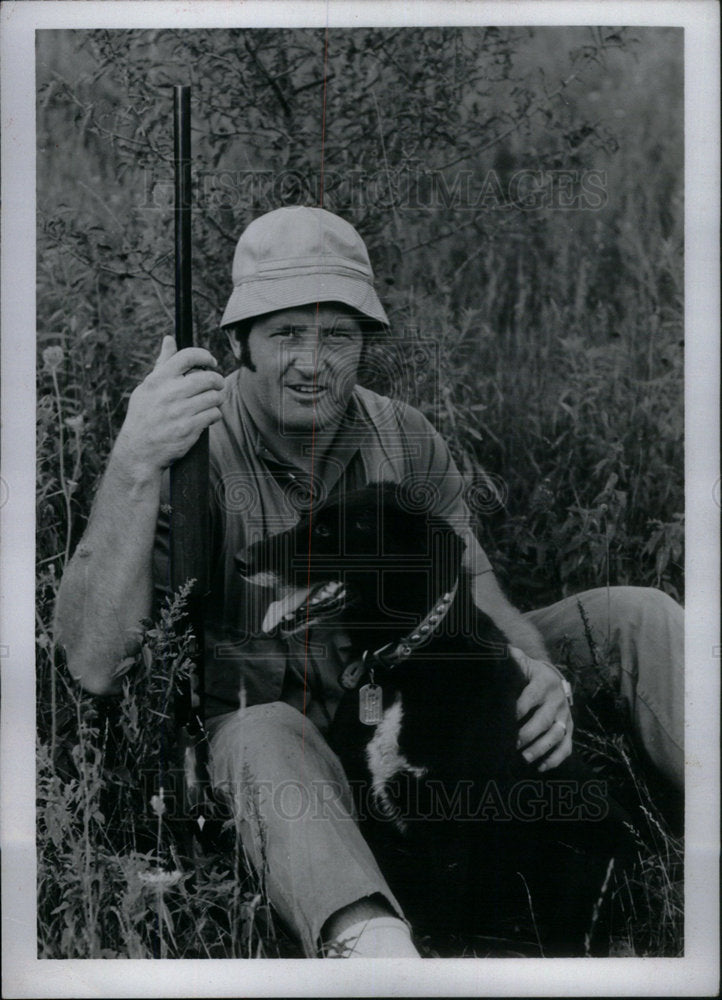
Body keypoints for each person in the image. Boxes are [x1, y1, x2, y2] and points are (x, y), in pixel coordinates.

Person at [54, 206, 684, 958]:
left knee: (639, 617)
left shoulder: (402, 435)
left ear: (364, 345)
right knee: (258, 734)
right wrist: (132, 464)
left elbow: (476, 592)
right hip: (294, 744)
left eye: (337, 335)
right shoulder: (192, 449)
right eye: (286, 333)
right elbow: (92, 664)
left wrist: (539, 669)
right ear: (238, 345)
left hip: (424, 707)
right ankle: (371, 945)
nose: (312, 362)